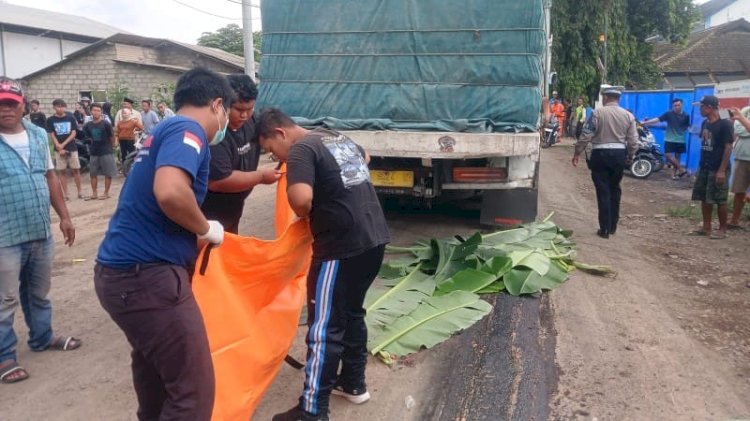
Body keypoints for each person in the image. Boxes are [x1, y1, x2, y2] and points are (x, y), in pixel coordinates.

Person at [94, 67, 234, 420]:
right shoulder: (189, 130)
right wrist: (206, 229)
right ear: (217, 104)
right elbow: (171, 192)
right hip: (147, 280)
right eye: (228, 114)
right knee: (193, 391)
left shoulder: (160, 131)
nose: (225, 123)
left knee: (156, 377)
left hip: (123, 278)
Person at [257, 108, 390, 421]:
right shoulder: (332, 136)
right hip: (373, 239)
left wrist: (304, 206)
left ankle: (313, 410)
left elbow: (301, 200)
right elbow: (365, 157)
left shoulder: (302, 148)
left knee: (324, 328)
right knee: (352, 313)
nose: (275, 157)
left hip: (340, 247)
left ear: (280, 133)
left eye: (270, 150)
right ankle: (354, 383)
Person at [0, 77, 80, 385]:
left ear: (22, 106)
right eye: (1, 104)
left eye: (11, 103)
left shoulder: (35, 134)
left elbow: (50, 178)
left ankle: (42, 337)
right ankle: (5, 355)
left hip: (39, 229)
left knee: (38, 292)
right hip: (4, 236)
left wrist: (65, 217)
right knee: (5, 298)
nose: (6, 109)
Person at [201, 74, 280, 234]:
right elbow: (219, 181)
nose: (244, 115)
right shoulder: (214, 133)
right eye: (238, 109)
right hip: (209, 212)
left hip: (235, 205)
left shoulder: (251, 121)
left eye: (249, 109)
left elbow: (270, 138)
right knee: (210, 252)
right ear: (223, 104)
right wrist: (261, 177)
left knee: (232, 245)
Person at [572, 86, 638, 239]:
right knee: (615, 189)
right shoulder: (628, 115)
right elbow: (634, 141)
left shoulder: (597, 113)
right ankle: (613, 226)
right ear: (618, 99)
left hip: (600, 155)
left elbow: (586, 135)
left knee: (603, 191)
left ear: (606, 98)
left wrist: (577, 153)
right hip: (619, 155)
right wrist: (630, 155)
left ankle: (605, 229)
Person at [689, 96, 734, 239]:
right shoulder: (705, 123)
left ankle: (722, 229)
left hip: (718, 168)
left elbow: (728, 148)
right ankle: (706, 227)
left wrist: (721, 170)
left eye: (701, 107)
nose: (700, 110)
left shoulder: (725, 124)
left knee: (720, 199)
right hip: (705, 167)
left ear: (709, 107)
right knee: (704, 197)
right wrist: (700, 166)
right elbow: (705, 145)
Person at [641, 98, 691, 179]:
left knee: (677, 157)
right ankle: (681, 169)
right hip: (669, 138)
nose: (677, 107)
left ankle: (674, 175)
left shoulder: (686, 115)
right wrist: (646, 122)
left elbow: (687, 126)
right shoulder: (669, 114)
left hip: (681, 139)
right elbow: (658, 119)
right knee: (668, 156)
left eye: (678, 105)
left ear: (682, 105)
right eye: (675, 105)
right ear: (673, 106)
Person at [46, 99, 83, 200]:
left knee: (76, 169)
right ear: (54, 107)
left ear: (65, 107)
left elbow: (73, 133)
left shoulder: (70, 118)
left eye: (62, 106)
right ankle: (66, 194)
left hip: (71, 147)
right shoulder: (50, 120)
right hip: (58, 149)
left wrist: (63, 144)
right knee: (61, 171)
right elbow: (52, 134)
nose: (60, 108)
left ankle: (80, 192)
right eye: (58, 106)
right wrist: (58, 145)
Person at [82, 103, 117, 200]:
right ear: (91, 111)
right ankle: (94, 193)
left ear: (101, 112)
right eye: (94, 110)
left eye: (98, 110)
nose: (96, 112)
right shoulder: (87, 125)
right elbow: (86, 136)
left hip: (106, 151)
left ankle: (106, 193)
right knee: (93, 174)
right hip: (93, 152)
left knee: (108, 173)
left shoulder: (106, 124)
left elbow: (112, 136)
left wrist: (112, 146)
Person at [728, 105, 750, 229]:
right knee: (739, 190)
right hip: (742, 156)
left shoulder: (742, 114)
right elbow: (737, 128)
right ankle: (734, 220)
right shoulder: (745, 110)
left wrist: (742, 120)